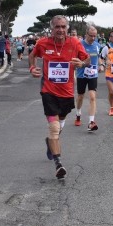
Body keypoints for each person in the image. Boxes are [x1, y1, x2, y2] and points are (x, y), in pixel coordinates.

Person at [29, 15, 90, 179]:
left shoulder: (75, 43)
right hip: (48, 91)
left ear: (67, 28)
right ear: (52, 28)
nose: (60, 30)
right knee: (54, 128)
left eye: (63, 27)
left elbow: (88, 60)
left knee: (59, 125)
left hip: (67, 93)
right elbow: (32, 55)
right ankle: (58, 164)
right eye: (57, 27)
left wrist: (82, 64)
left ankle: (50, 143)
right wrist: (32, 68)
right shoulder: (43, 43)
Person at [75, 25, 102, 131]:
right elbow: (74, 59)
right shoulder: (79, 45)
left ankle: (91, 122)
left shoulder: (97, 45)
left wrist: (101, 65)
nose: (93, 38)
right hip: (81, 74)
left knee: (92, 97)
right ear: (86, 34)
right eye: (91, 36)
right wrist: (81, 64)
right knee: (80, 96)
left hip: (93, 74)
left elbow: (98, 58)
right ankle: (78, 113)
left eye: (95, 36)